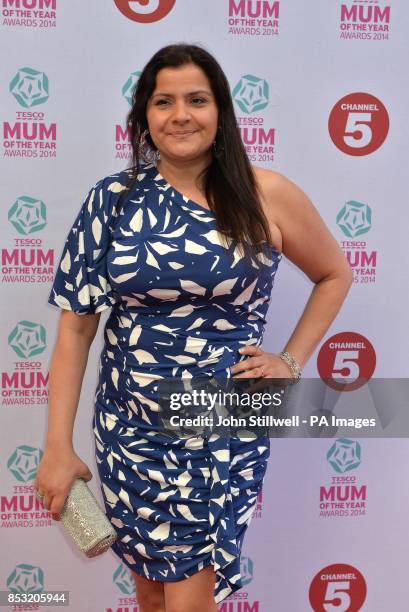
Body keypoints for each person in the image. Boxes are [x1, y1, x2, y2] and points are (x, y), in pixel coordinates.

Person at [35, 43, 352, 612]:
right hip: (127, 430)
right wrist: (58, 442)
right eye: (164, 101)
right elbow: (76, 328)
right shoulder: (112, 200)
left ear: (221, 113)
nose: (180, 114)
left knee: (189, 596)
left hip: (222, 428)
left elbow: (334, 273)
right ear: (144, 117)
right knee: (153, 591)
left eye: (197, 100)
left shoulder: (266, 194)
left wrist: (291, 362)